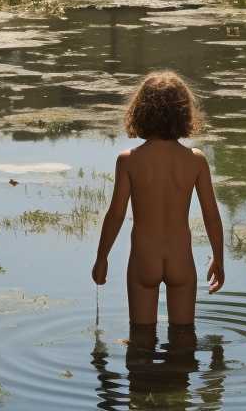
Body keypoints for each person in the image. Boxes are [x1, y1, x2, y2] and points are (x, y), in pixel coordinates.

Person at [91, 70, 225, 332]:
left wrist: (101, 257)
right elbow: (211, 215)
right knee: (184, 339)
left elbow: (116, 214)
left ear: (140, 112)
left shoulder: (129, 160)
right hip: (181, 261)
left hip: (144, 260)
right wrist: (218, 258)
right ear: (184, 113)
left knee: (141, 342)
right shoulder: (195, 161)